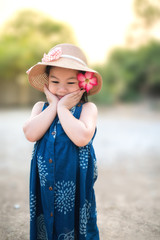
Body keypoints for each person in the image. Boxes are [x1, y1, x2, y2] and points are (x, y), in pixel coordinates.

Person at [23, 43, 102, 240]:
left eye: (70, 83)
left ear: (83, 84)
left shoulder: (87, 109)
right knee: (46, 216)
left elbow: (82, 137)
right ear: (47, 82)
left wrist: (64, 110)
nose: (62, 89)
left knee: (78, 219)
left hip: (75, 181)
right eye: (55, 81)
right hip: (44, 180)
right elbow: (30, 133)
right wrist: (53, 107)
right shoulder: (40, 107)